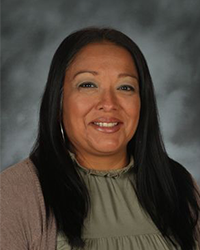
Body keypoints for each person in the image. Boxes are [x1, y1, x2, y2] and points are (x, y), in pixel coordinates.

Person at [1, 27, 200, 250]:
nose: (109, 103)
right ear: (58, 102)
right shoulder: (13, 193)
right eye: (88, 85)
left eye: (125, 87)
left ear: (142, 103)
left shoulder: (179, 185)